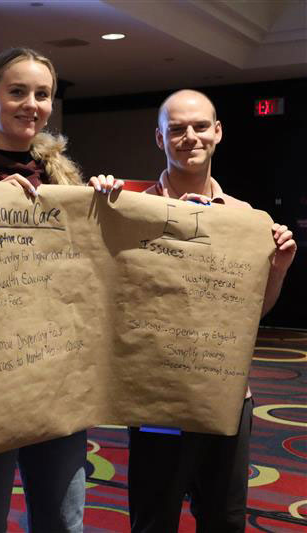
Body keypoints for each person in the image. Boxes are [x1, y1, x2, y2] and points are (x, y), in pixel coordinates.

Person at [0, 47, 120, 533]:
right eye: (17, 92)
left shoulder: (66, 180)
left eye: (42, 94)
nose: (31, 104)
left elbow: (89, 274)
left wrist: (105, 205)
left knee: (63, 520)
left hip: (57, 377)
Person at [127, 89, 297, 532]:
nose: (191, 137)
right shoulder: (134, 213)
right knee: (154, 519)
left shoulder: (245, 220)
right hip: (158, 398)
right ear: (160, 139)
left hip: (226, 393)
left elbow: (251, 314)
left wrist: (278, 269)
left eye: (201, 126)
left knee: (224, 519)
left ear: (217, 132)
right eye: (177, 129)